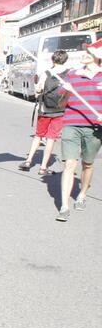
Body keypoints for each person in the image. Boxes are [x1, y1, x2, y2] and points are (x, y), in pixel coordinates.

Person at [55, 41, 102, 221]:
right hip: (71, 125)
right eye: (85, 51)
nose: (85, 54)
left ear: (98, 57)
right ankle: (64, 206)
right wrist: (67, 93)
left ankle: (82, 194)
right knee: (69, 164)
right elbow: (61, 105)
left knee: (87, 163)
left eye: (89, 52)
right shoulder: (72, 75)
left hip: (94, 128)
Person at [19, 50, 69, 176]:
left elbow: (38, 90)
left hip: (45, 110)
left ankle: (28, 160)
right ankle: (43, 167)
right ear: (65, 60)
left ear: (53, 59)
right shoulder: (68, 74)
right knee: (51, 138)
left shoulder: (46, 73)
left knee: (38, 136)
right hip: (60, 111)